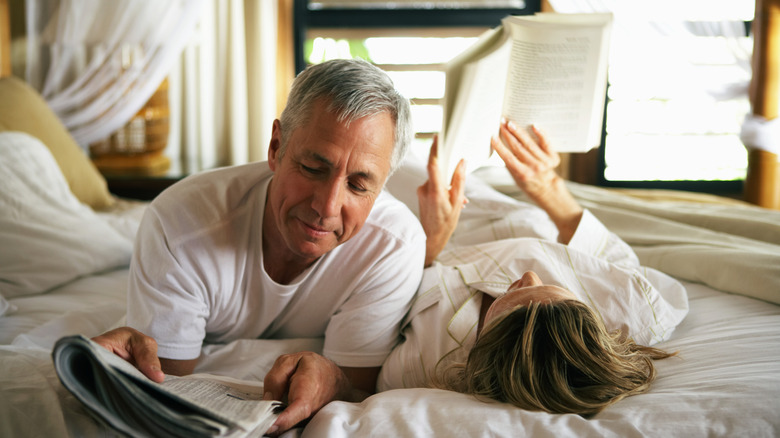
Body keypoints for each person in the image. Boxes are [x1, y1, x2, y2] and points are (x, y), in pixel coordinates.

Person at [92, 58, 427, 435]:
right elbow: (166, 385)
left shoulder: (394, 247)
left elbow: (355, 385)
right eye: (314, 169)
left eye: (359, 185)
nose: (326, 207)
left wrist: (335, 378)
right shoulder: (180, 222)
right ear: (276, 146)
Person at [378, 119, 689, 415]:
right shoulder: (636, 312)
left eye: (512, 297)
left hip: (413, 254)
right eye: (548, 287)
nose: (528, 276)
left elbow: (374, 313)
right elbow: (608, 254)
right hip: (499, 221)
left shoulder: (423, 363)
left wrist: (431, 242)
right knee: (401, 154)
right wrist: (547, 186)